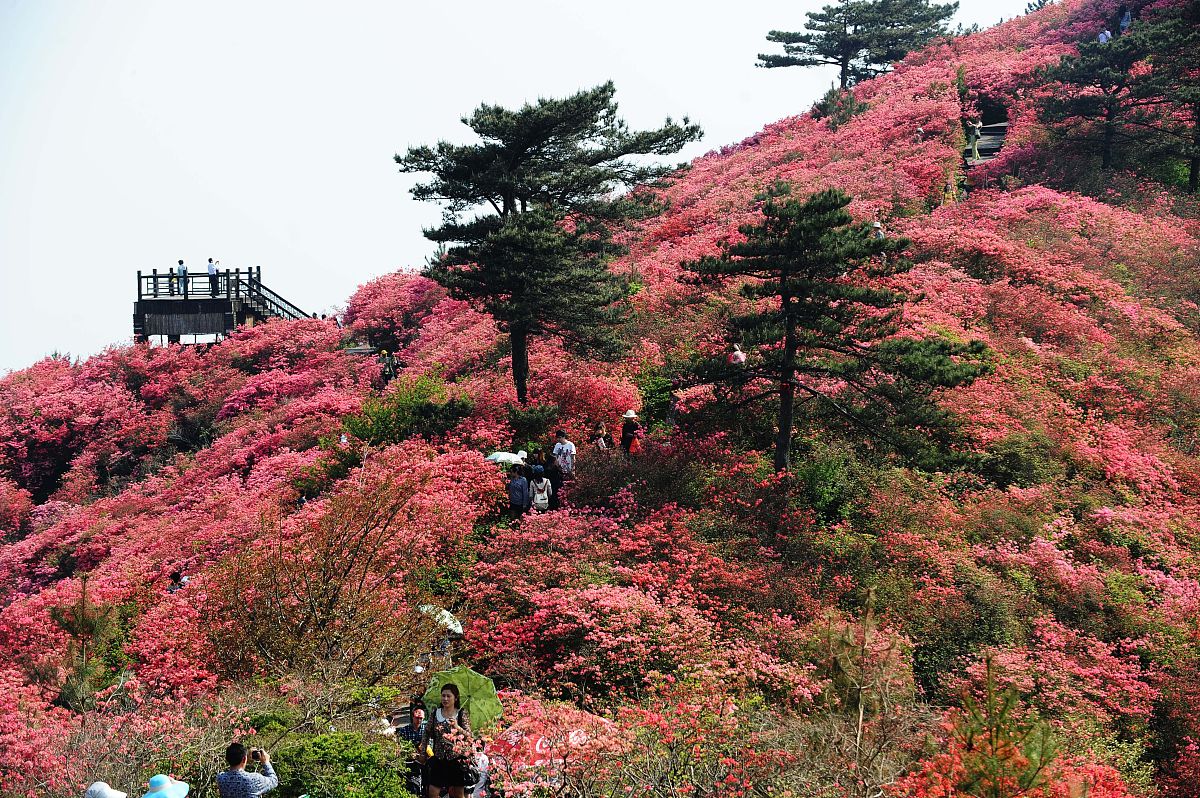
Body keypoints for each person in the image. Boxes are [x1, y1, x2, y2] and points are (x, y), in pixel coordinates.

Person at [419, 684, 474, 798]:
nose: (445, 699)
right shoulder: (435, 713)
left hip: (456, 758)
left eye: (449, 696)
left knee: (458, 794)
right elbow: (427, 733)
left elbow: (469, 736)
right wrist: (423, 752)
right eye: (443, 696)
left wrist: (457, 727)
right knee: (432, 792)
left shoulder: (461, 713)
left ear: (456, 698)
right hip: (439, 758)